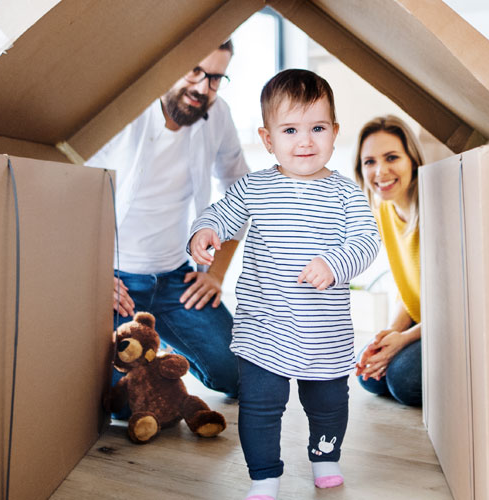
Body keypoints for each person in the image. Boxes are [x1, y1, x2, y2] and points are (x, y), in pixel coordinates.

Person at [187, 69, 379, 500]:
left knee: (329, 404)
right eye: (290, 129)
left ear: (334, 133)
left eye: (317, 128)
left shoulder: (347, 194)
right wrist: (204, 233)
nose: (305, 141)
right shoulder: (254, 187)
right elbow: (220, 215)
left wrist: (336, 262)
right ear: (269, 138)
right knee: (260, 406)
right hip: (264, 327)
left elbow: (368, 241)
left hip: (323, 330)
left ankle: (325, 455)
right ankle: (264, 476)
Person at [87, 40, 248, 404]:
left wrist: (216, 274)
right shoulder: (122, 111)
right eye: (195, 71)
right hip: (117, 284)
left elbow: (241, 191)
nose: (202, 89)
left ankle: (158, 353)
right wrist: (92, 277)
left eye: (216, 79)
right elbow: (66, 193)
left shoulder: (218, 115)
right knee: (119, 401)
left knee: (239, 374)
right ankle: (150, 359)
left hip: (177, 279)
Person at [352, 115, 425, 407]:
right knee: (368, 376)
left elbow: (456, 307)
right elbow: (406, 290)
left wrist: (404, 340)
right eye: (369, 161)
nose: (380, 171)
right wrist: (391, 333)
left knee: (403, 381)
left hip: (452, 325)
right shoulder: (383, 210)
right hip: (421, 322)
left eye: (392, 157)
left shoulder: (436, 205)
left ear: (412, 160)